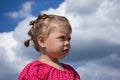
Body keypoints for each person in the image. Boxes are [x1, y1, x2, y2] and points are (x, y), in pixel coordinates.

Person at [18, 13, 80, 80]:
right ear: (42, 41)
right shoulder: (35, 70)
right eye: (62, 38)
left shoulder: (71, 72)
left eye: (69, 39)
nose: (67, 43)